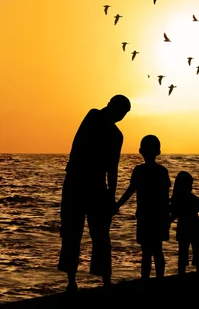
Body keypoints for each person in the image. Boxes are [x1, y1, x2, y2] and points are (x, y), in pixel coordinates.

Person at [57, 94, 131, 292]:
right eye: (123, 112)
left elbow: (112, 168)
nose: (122, 117)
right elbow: (112, 168)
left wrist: (111, 196)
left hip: (81, 182)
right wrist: (111, 196)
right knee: (84, 233)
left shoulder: (108, 128)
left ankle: (81, 281)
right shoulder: (102, 122)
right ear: (114, 107)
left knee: (84, 234)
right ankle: (83, 281)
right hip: (84, 182)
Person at [116, 135, 171, 280]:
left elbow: (130, 190)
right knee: (157, 250)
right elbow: (165, 198)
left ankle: (145, 279)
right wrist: (168, 217)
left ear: (141, 151)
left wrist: (117, 205)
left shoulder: (139, 170)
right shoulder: (162, 171)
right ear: (158, 152)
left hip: (145, 217)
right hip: (158, 217)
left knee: (146, 251)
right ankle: (160, 278)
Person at [169, 171, 199, 275]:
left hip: (183, 229)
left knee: (182, 255)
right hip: (195, 228)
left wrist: (165, 222)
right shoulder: (194, 199)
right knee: (198, 254)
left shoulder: (176, 199)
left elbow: (173, 215)